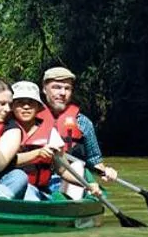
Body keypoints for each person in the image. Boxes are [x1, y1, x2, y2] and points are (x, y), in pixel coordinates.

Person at [37, 66, 116, 199]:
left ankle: (69, 204)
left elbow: (94, 161)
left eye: (67, 88)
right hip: (39, 180)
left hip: (70, 181)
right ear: (44, 89)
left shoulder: (83, 123)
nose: (62, 93)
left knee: (78, 166)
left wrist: (106, 171)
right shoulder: (31, 119)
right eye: (56, 87)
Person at [1, 81, 63, 200]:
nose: (26, 107)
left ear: (38, 107)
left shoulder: (51, 133)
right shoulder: (3, 130)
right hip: (8, 186)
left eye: (31, 103)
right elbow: (2, 162)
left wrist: (88, 185)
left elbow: (63, 170)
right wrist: (37, 153)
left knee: (30, 193)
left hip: (39, 190)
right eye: (20, 103)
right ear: (12, 106)